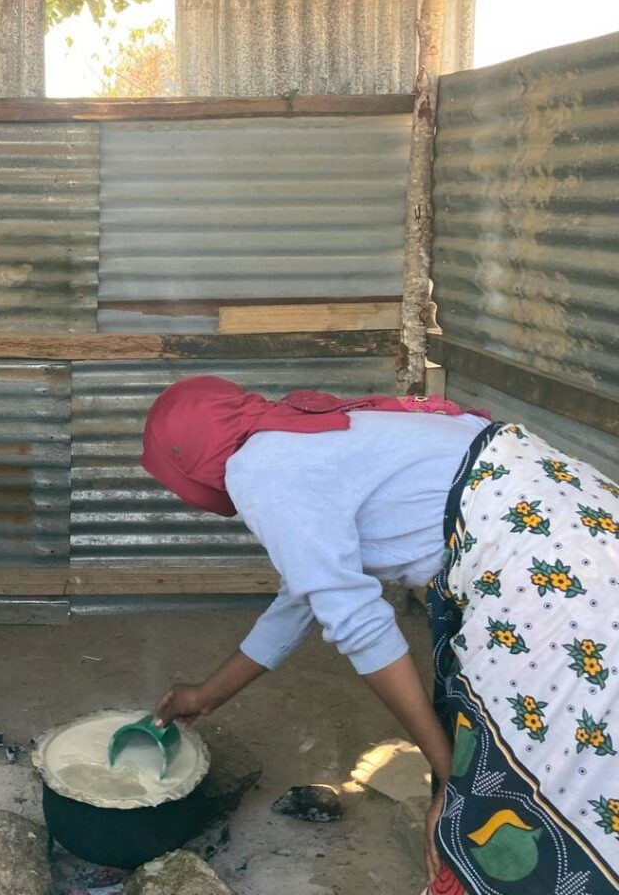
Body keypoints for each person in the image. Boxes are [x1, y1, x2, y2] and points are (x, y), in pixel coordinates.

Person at [142, 376, 619, 895]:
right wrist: (207, 696)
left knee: (518, 799)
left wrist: (449, 785)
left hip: (550, 576)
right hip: (585, 519)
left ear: (189, 462)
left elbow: (358, 622)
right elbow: (304, 597)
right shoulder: (306, 437)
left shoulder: (258, 468)